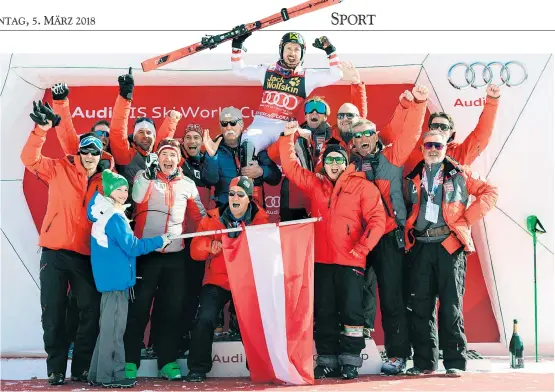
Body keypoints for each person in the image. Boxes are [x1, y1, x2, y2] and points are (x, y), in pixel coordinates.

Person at [278, 121, 386, 380]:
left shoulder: (362, 187)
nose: (334, 165)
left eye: (338, 160)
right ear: (323, 164)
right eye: (329, 161)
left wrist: (362, 248)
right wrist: (287, 137)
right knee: (324, 312)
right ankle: (326, 360)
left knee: (351, 315)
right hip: (322, 262)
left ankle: (350, 361)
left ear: (346, 162)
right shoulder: (316, 184)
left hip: (351, 262)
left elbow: (377, 220)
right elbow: (292, 168)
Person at [21, 101, 108, 385]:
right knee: (54, 313)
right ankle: (56, 369)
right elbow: (29, 159)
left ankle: (81, 367)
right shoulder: (59, 168)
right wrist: (41, 130)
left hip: (84, 256)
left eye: (95, 151)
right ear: (79, 152)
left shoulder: (105, 181)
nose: (90, 155)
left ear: (101, 155)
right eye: (85, 150)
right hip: (54, 253)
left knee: (91, 310)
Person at [347, 85, 428, 375]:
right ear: (352, 142)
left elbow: (410, 135)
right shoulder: (348, 165)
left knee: (392, 298)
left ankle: (397, 354)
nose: (363, 138)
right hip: (358, 240)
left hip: (388, 238)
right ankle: (350, 355)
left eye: (368, 133)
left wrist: (418, 103)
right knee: (353, 298)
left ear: (375, 136)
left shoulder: (391, 158)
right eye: (357, 135)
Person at [404, 131, 498, 377]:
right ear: (422, 148)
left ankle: (455, 361)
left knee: (451, 306)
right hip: (421, 244)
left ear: (446, 147)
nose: (433, 149)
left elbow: (491, 192)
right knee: (421, 306)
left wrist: (467, 219)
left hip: (449, 244)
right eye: (429, 145)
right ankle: (424, 362)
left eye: (438, 144)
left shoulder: (460, 172)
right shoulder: (413, 176)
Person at [123, 138, 205, 381]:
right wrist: (148, 176)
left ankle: (167, 360)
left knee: (170, 310)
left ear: (178, 158)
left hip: (175, 257)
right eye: (164, 154)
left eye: (172, 154)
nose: (168, 159)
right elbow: (136, 198)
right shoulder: (143, 177)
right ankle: (130, 360)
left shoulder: (188, 184)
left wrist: (219, 229)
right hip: (145, 255)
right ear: (157, 157)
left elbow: (199, 216)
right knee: (138, 309)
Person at [86, 170, 170, 388]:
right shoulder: (114, 217)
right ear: (108, 190)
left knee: (107, 329)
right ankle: (113, 375)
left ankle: (98, 373)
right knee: (114, 330)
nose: (124, 194)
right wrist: (159, 240)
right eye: (119, 189)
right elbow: (132, 247)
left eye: (125, 189)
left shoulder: (105, 213)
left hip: (110, 281)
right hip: (116, 282)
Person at [185, 176, 270, 382]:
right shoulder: (212, 218)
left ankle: (258, 367)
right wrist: (209, 247)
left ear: (249, 198)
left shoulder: (261, 219)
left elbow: (267, 252)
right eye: (232, 193)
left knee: (252, 322)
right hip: (218, 279)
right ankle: (197, 368)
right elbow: (195, 252)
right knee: (205, 318)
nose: (235, 197)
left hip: (246, 281)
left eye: (240, 194)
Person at [230, 31, 343, 163]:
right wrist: (237, 46)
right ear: (281, 50)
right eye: (288, 48)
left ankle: (309, 182)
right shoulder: (267, 70)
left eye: (296, 49)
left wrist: (330, 51)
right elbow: (238, 70)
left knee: (300, 143)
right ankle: (247, 183)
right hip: (261, 126)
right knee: (247, 147)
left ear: (302, 53)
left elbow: (337, 75)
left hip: (285, 127)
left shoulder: (307, 76)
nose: (292, 53)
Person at [277, 61, 367, 222]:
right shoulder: (292, 132)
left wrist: (356, 85)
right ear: (304, 115)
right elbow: (274, 152)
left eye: (319, 109)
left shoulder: (334, 134)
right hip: (294, 197)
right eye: (309, 109)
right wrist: (290, 135)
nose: (314, 112)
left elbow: (358, 121)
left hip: (324, 194)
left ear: (326, 116)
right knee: (295, 242)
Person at [380, 84, 501, 172]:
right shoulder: (413, 154)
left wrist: (492, 101)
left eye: (443, 127)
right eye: (434, 126)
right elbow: (404, 131)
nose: (438, 129)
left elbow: (482, 134)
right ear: (428, 130)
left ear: (451, 133)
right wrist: (413, 103)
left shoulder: (461, 154)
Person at [109, 68, 178, 193]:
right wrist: (125, 96)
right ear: (134, 137)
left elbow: (164, 141)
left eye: (149, 132)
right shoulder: (126, 156)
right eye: (140, 132)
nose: (145, 135)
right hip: (129, 210)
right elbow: (118, 130)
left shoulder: (159, 154)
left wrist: (171, 120)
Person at [203, 107, 282, 208]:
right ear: (220, 126)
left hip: (254, 210)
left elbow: (276, 178)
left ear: (241, 125)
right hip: (226, 211)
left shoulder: (254, 144)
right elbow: (210, 180)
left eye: (233, 123)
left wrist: (262, 171)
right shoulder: (213, 149)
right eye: (224, 123)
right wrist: (211, 157)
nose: (228, 127)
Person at [51, 82, 112, 153]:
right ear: (91, 135)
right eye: (98, 133)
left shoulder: (118, 157)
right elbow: (67, 134)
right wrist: (60, 101)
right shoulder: (80, 153)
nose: (103, 137)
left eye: (106, 134)